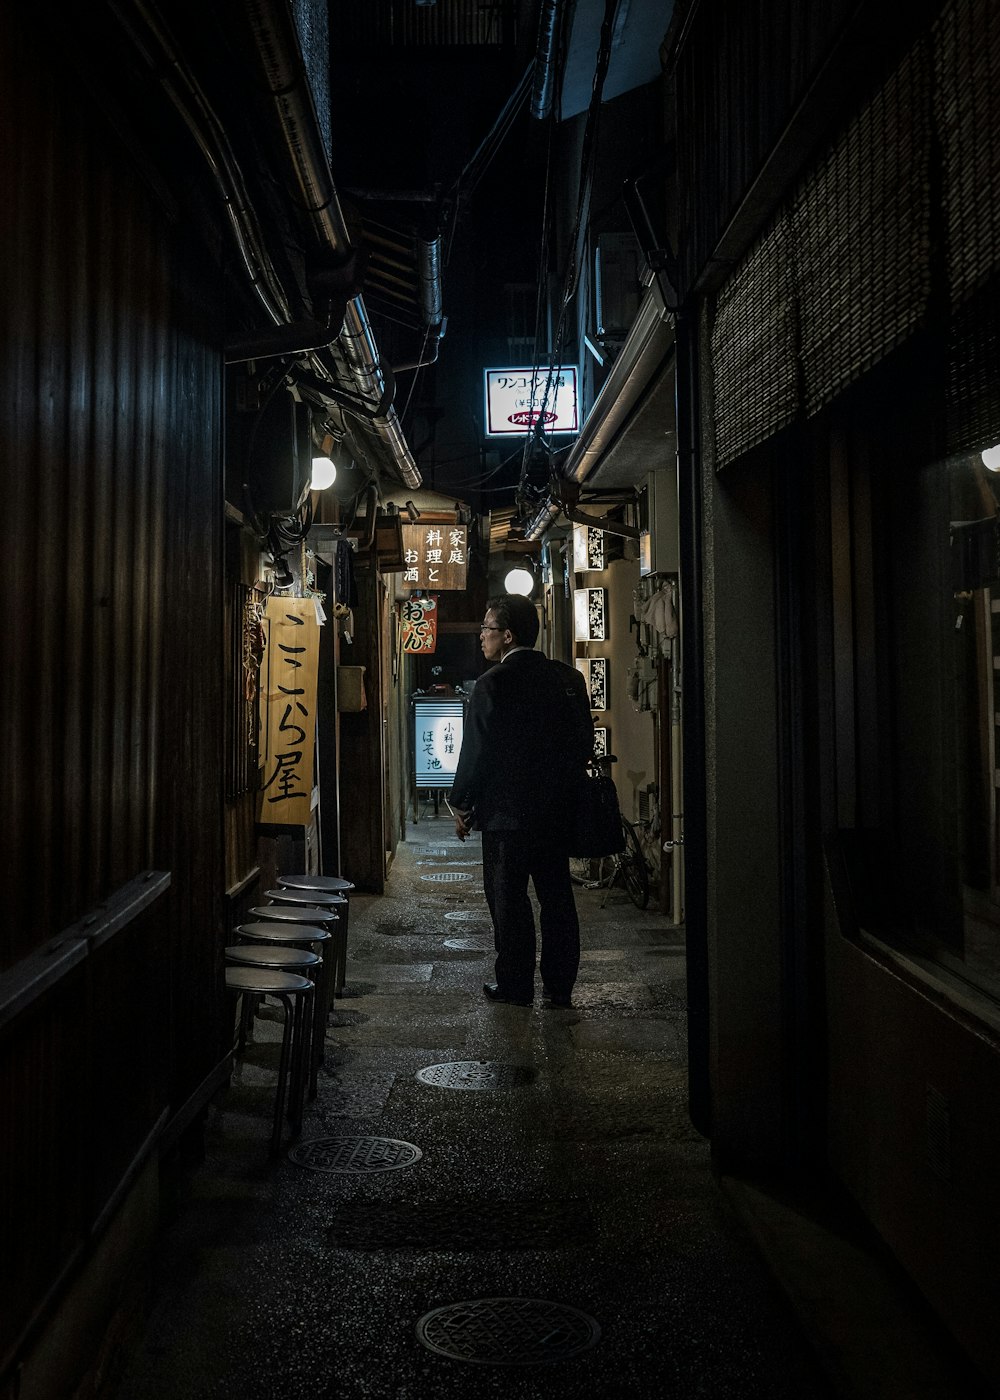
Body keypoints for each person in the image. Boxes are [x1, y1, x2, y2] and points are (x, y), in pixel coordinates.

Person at [449, 594, 594, 1008]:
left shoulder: (492, 684)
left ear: (507, 635)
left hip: (506, 815)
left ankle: (515, 985)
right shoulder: (569, 680)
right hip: (556, 812)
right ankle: (559, 986)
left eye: (487, 628)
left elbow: (476, 752)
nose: (482, 636)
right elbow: (584, 743)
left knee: (509, 901)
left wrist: (462, 804)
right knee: (557, 898)